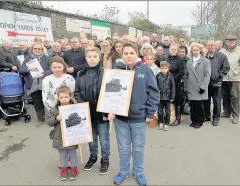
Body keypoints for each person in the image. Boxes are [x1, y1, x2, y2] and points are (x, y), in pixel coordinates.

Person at [108, 42, 160, 186]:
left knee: (138, 148)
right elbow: (109, 93)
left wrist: (150, 112)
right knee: (123, 148)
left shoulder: (145, 70)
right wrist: (109, 110)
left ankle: (138, 172)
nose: (129, 56)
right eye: (126, 53)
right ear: (121, 55)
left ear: (137, 54)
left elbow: (154, 93)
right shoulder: (116, 70)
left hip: (139, 118)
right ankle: (123, 172)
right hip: (120, 119)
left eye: (131, 53)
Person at [74, 47, 110, 175]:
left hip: (102, 112)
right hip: (87, 111)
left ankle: (105, 158)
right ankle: (93, 156)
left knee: (104, 138)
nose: (92, 59)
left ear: (99, 58)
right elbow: (77, 91)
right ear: (86, 58)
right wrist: (81, 105)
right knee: (92, 138)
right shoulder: (80, 74)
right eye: (90, 57)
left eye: (95, 56)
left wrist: (108, 113)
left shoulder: (105, 73)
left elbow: (110, 94)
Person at [45, 86, 78, 181]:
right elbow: (48, 121)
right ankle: (63, 169)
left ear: (70, 97)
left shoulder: (75, 108)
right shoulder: (55, 110)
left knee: (72, 154)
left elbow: (80, 119)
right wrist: (56, 118)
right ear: (58, 98)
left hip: (72, 137)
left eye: (66, 97)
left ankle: (73, 169)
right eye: (61, 97)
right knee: (63, 155)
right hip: (60, 137)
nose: (64, 99)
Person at [19, 42, 52, 125]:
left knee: (49, 102)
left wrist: (43, 74)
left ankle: (51, 119)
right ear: (32, 49)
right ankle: (41, 119)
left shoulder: (47, 58)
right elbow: (20, 71)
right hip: (33, 85)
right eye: (35, 48)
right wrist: (28, 68)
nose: (37, 50)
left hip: (45, 84)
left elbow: (52, 69)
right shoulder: (27, 60)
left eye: (39, 49)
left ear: (42, 50)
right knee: (37, 103)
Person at [220, 35, 240, 124]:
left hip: (234, 78)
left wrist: (236, 72)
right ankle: (226, 112)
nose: (231, 42)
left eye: (233, 40)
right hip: (224, 78)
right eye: (229, 40)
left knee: (235, 97)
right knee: (225, 96)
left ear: (236, 41)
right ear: (225, 42)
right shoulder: (222, 51)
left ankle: (235, 115)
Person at [184, 43, 211, 129]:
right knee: (192, 106)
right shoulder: (189, 62)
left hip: (200, 88)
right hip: (191, 87)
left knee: (200, 106)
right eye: (193, 50)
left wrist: (203, 86)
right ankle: (194, 120)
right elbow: (186, 75)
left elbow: (207, 75)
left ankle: (200, 121)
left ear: (200, 51)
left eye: (197, 50)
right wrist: (186, 87)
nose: (195, 52)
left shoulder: (205, 61)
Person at [204, 41, 230, 126]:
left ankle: (216, 118)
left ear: (215, 46)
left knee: (217, 102)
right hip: (207, 84)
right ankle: (207, 116)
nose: (210, 46)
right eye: (209, 45)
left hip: (217, 83)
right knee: (206, 101)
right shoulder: (204, 56)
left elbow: (226, 68)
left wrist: (219, 75)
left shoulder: (221, 56)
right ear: (206, 47)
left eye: (212, 45)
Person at [167, 44, 187, 126]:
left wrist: (172, 79)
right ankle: (167, 117)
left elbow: (181, 72)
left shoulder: (180, 59)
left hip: (176, 83)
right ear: (169, 49)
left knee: (177, 100)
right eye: (172, 49)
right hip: (166, 83)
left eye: (175, 49)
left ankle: (177, 118)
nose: (173, 50)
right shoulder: (165, 58)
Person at [156, 61, 175, 131]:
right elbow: (155, 86)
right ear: (160, 68)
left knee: (167, 111)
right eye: (162, 68)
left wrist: (172, 97)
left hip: (168, 97)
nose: (164, 70)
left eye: (165, 68)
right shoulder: (157, 76)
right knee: (160, 111)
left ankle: (167, 123)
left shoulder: (170, 76)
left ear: (168, 68)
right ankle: (161, 122)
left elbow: (173, 87)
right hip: (160, 97)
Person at [178, 45, 190, 115]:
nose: (181, 53)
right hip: (177, 81)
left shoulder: (189, 61)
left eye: (183, 52)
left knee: (186, 96)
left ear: (186, 53)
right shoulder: (175, 60)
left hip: (186, 82)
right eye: (179, 52)